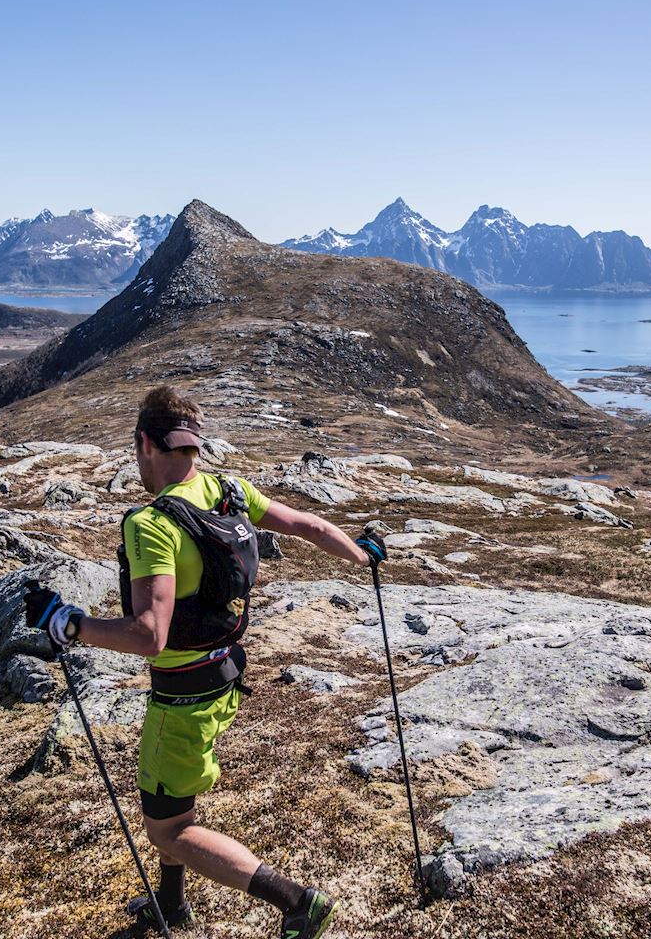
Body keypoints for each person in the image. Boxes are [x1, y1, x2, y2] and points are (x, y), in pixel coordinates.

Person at [24, 385, 387, 938]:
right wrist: (363, 555)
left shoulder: (150, 524)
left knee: (167, 831)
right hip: (225, 679)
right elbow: (307, 527)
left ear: (145, 443)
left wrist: (68, 624)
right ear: (195, 444)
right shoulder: (229, 491)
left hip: (182, 697)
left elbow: (149, 635)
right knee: (175, 804)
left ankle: (296, 901)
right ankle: (171, 904)